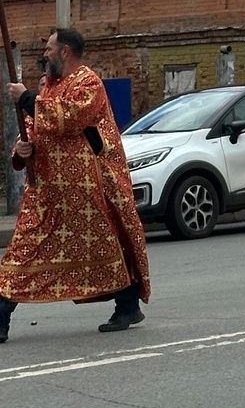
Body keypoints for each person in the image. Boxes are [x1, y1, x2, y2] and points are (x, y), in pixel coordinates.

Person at [0, 27, 151, 344]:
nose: (44, 54)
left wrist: (26, 98)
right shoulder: (48, 86)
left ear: (64, 52)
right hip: (45, 191)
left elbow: (69, 118)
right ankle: (1, 317)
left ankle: (127, 304)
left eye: (49, 49)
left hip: (85, 189)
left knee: (102, 246)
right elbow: (34, 126)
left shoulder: (88, 82)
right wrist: (23, 149)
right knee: (22, 251)